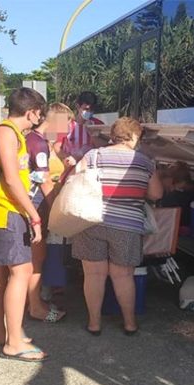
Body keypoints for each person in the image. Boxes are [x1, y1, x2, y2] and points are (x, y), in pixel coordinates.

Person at [71, 117, 163, 335]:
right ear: (133, 137)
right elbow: (156, 194)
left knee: (93, 275)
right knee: (123, 276)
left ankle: (94, 324)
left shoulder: (93, 156)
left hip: (92, 221)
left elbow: (75, 180)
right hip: (127, 226)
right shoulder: (144, 162)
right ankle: (130, 323)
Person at [0, 88, 48, 362]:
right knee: (22, 270)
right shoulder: (7, 133)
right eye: (38, 114)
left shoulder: (9, 133)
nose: (38, 120)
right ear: (31, 112)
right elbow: (11, 180)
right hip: (4, 212)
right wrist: (34, 215)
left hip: (0, 213)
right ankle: (14, 342)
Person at [24, 102, 71, 323]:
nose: (66, 131)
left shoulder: (34, 140)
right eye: (66, 125)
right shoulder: (39, 143)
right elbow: (42, 180)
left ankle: (32, 303)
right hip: (37, 207)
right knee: (36, 259)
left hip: (34, 206)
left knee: (34, 258)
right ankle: (35, 307)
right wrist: (56, 209)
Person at [62, 91, 104, 166]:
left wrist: (92, 132)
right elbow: (57, 147)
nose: (89, 112)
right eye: (86, 109)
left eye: (92, 109)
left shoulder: (98, 124)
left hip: (90, 169)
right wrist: (68, 159)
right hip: (69, 168)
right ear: (78, 106)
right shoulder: (66, 124)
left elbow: (103, 147)